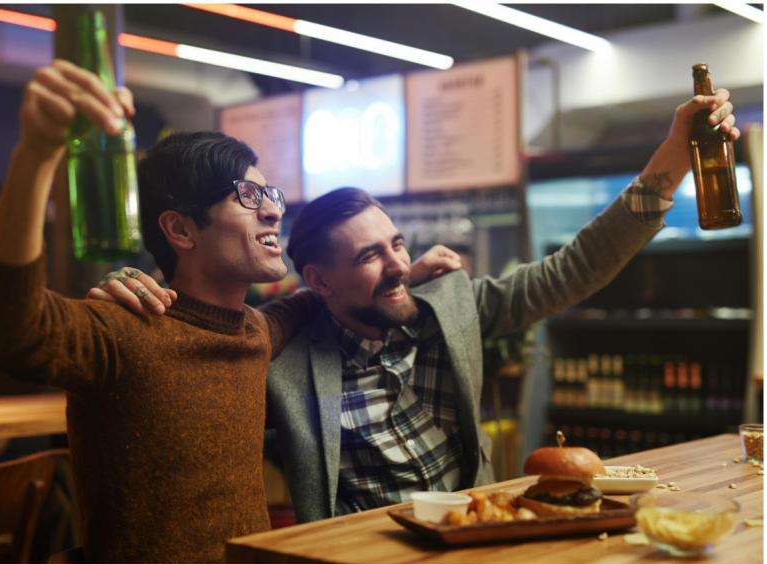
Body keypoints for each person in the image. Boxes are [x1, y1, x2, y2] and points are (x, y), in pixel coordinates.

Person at [94, 87, 740, 523]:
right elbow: (202, 342)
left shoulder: (448, 308)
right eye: (370, 257)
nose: (399, 264)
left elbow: (575, 267)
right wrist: (141, 283)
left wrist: (675, 156)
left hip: (482, 537)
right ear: (318, 280)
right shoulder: (285, 358)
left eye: (396, 243)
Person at [0, 60, 457, 562]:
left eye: (269, 193)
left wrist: (398, 276)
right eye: (247, 195)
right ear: (180, 230)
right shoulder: (125, 329)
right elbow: (11, 322)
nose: (272, 210)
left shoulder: (254, 332)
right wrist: (36, 154)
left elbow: (312, 300)